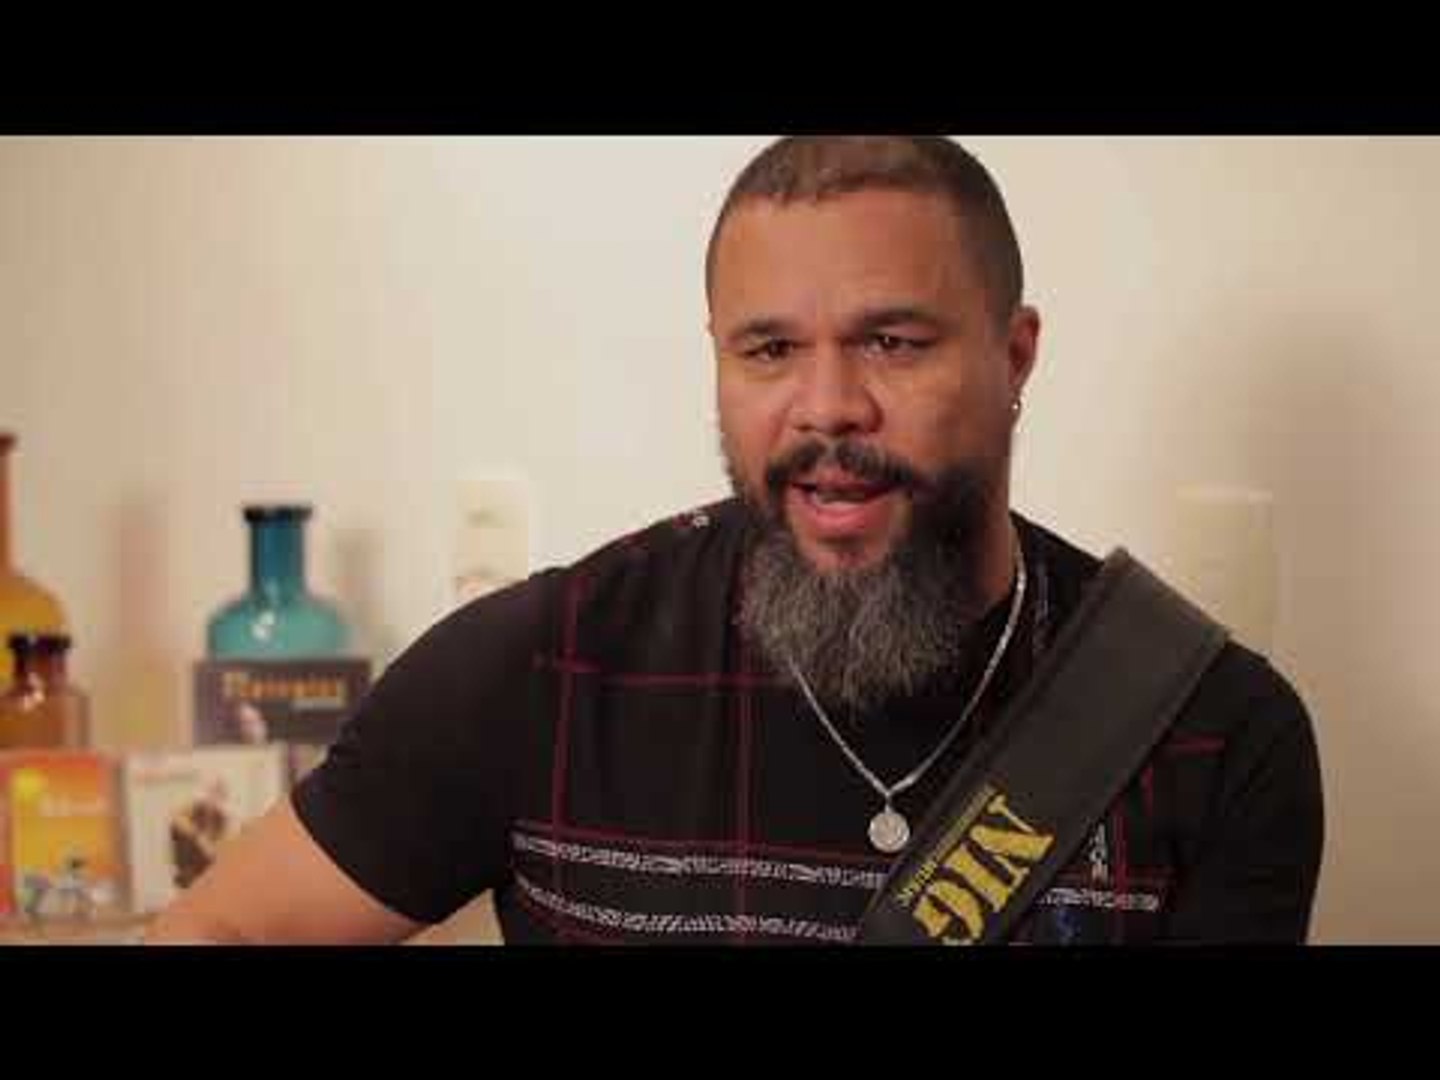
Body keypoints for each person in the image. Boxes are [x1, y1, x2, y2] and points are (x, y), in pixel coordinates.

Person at [146, 136, 1324, 945]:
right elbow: (221, 925)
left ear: (1014, 357)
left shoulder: (1213, 734)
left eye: (893, 343)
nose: (827, 409)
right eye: (769, 351)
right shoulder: (539, 671)